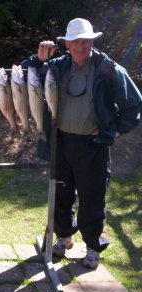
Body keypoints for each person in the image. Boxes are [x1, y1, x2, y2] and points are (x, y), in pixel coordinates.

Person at [22, 18, 142, 269]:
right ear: (66, 44)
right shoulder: (55, 67)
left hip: (93, 145)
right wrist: (37, 59)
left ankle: (92, 246)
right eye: (75, 41)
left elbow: (134, 104)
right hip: (61, 143)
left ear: (91, 42)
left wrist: (113, 130)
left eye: (85, 41)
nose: (81, 46)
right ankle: (64, 237)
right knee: (61, 194)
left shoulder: (107, 69)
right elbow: (22, 78)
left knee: (92, 196)